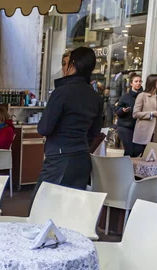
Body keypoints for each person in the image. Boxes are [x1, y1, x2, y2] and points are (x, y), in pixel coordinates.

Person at [35, 47, 103, 194]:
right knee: (70, 208)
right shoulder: (95, 97)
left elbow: (44, 128)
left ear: (73, 65)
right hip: (82, 157)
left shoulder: (62, 92)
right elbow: (95, 132)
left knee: (40, 205)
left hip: (59, 157)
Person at [132, 74, 157, 156]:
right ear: (152, 82)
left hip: (156, 131)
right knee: (140, 157)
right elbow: (135, 114)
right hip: (143, 131)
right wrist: (151, 114)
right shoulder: (142, 95)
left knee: (153, 157)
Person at [115, 74, 143, 157]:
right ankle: (125, 168)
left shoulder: (143, 96)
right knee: (129, 151)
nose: (138, 83)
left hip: (138, 127)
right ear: (131, 83)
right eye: (136, 81)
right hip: (125, 126)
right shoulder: (125, 97)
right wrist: (123, 110)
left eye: (140, 81)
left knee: (138, 150)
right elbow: (117, 111)